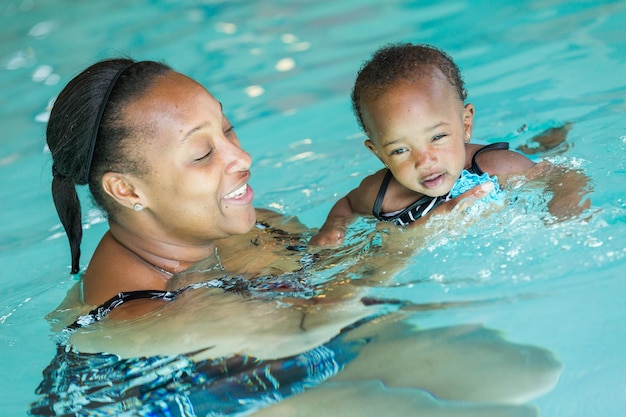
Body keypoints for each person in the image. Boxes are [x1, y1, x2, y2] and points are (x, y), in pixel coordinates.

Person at [35, 57, 561, 416]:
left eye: (228, 129)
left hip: (282, 359)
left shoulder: (247, 222)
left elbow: (331, 281)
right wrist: (409, 243)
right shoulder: (135, 313)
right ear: (127, 189)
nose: (241, 159)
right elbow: (301, 329)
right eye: (203, 154)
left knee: (530, 373)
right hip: (190, 401)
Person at [310, 43, 591, 247]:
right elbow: (347, 204)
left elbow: (563, 176)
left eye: (437, 137)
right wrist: (333, 226)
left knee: (532, 156)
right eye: (400, 150)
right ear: (379, 153)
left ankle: (548, 141)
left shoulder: (495, 167)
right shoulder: (380, 195)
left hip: (493, 166)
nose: (424, 160)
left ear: (465, 125)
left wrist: (565, 209)